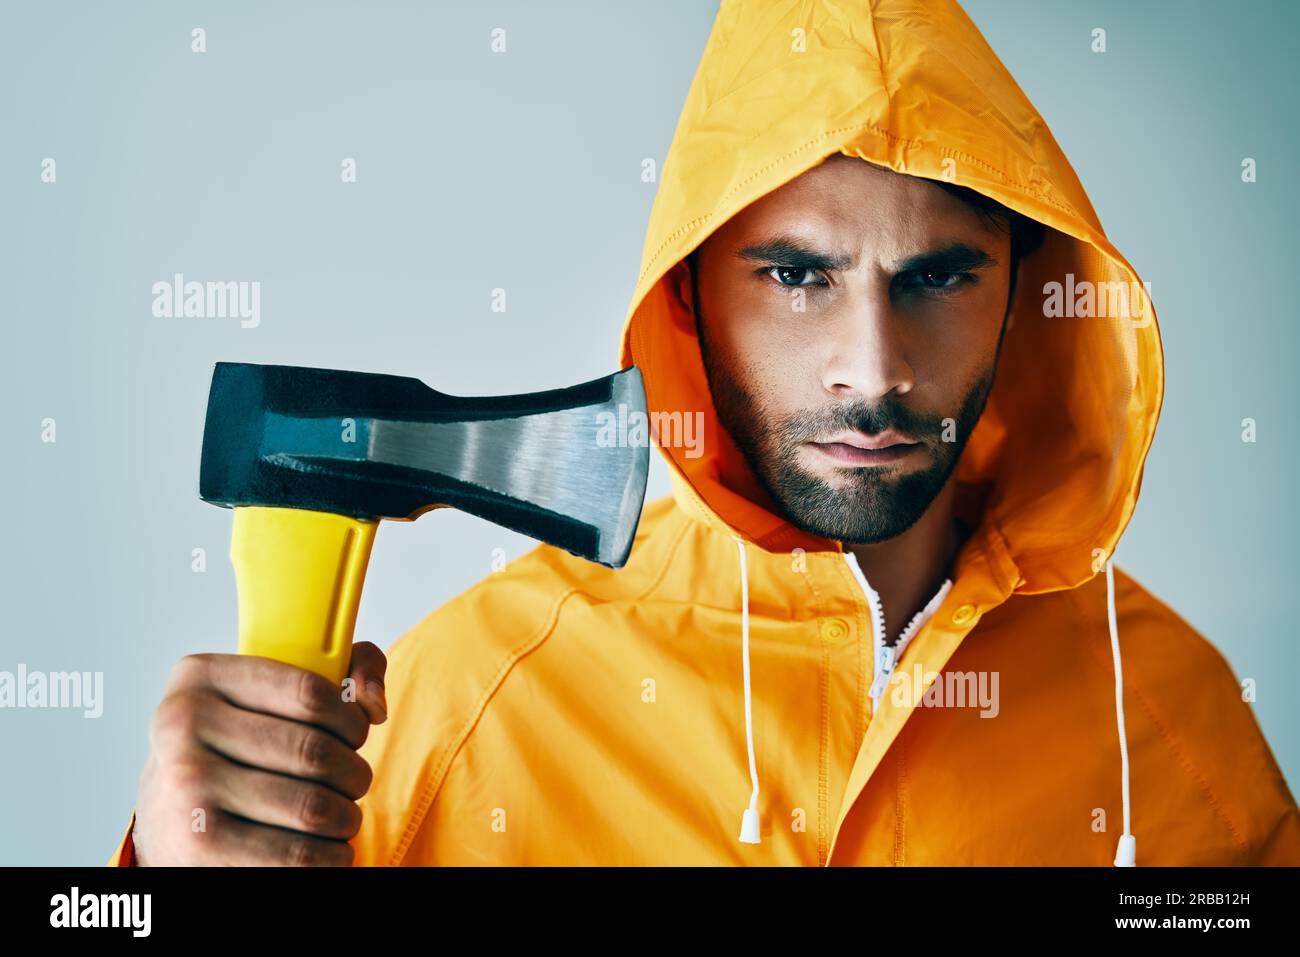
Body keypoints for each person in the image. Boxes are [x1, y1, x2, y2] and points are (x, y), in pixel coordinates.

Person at [110, 0, 1299, 865]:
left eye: (938, 279)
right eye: (795, 277)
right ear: (687, 300)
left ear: (1025, 297)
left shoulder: (1172, 719)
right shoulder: (461, 705)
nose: (872, 372)